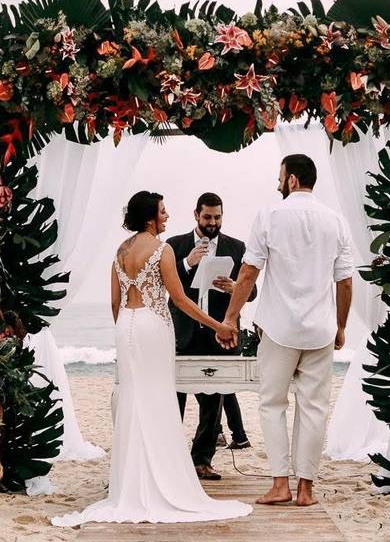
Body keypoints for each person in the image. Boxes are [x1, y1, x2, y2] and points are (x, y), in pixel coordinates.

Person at [52, 191, 251, 526]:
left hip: (127, 327)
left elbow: (115, 302)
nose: (167, 216)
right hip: (153, 327)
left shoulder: (121, 250)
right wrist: (219, 324)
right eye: (162, 211)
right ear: (149, 217)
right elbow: (181, 300)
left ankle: (130, 483)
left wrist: (125, 329)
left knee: (133, 400)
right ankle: (163, 480)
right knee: (158, 401)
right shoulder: (163, 249)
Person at [223, 154, 354, 507]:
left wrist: (232, 317)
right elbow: (344, 282)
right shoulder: (336, 221)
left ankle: (280, 484)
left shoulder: (269, 215)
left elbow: (249, 271)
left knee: (272, 404)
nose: (277, 183)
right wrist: (340, 326)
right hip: (320, 330)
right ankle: (306, 490)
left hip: (279, 327)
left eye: (280, 177)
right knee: (314, 407)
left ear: (292, 180)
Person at [167, 192, 256, 479]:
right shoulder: (174, 246)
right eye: (207, 217)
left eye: (217, 217)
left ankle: (201, 460)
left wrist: (234, 289)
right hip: (182, 333)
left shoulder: (237, 247)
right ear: (196, 215)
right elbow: (165, 287)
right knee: (174, 397)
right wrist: (187, 264)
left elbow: (251, 291)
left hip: (222, 333)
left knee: (215, 399)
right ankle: (170, 457)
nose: (213, 222)